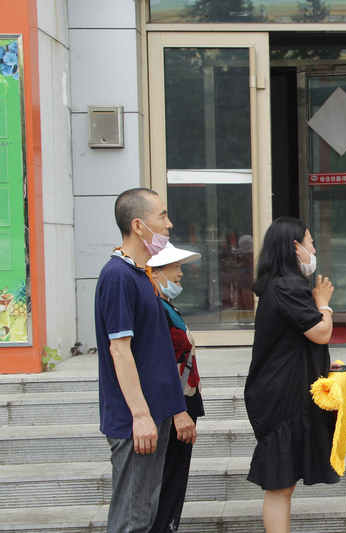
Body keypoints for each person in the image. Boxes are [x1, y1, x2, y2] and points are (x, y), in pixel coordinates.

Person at [95, 188, 196, 533]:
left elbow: (156, 351)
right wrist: (140, 415)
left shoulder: (140, 275)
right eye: (162, 216)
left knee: (145, 513)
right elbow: (120, 350)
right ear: (138, 225)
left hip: (156, 415)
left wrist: (174, 409)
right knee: (132, 519)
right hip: (135, 421)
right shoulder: (118, 276)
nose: (169, 224)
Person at [245, 217, 340, 533]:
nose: (314, 250)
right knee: (280, 484)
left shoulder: (281, 286)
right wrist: (324, 305)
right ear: (295, 247)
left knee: (284, 482)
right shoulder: (287, 287)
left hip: (285, 393)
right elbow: (320, 333)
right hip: (281, 399)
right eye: (311, 242)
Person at [146, 243, 204, 533]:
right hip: (172, 406)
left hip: (183, 401)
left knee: (174, 479)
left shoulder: (166, 306)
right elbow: (163, 362)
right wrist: (179, 412)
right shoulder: (155, 309)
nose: (180, 273)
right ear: (155, 273)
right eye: (175, 267)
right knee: (167, 479)